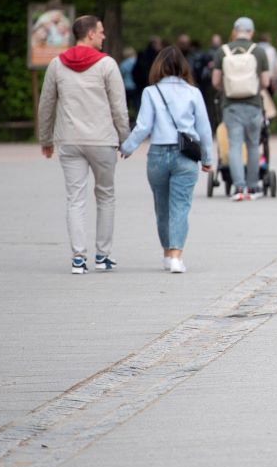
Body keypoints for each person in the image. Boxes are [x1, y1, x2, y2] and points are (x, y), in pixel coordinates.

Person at [38, 15, 130, 274]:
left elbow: (46, 104)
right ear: (90, 34)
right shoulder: (107, 65)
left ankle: (78, 258)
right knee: (106, 195)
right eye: (101, 31)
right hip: (102, 140)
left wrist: (46, 138)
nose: (104, 36)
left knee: (75, 199)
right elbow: (118, 107)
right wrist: (125, 138)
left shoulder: (57, 64)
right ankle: (102, 255)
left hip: (69, 140)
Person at [120, 46, 215, 273]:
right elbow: (204, 128)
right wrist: (207, 158)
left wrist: (128, 147)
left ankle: (166, 254)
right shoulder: (193, 92)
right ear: (183, 66)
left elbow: (143, 126)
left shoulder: (150, 92)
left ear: (158, 67)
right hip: (186, 154)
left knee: (162, 208)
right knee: (180, 206)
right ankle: (176, 257)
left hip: (158, 154)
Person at [212, 17, 270, 201]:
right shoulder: (259, 51)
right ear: (251, 32)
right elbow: (266, 82)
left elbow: (215, 81)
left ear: (235, 31)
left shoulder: (222, 51)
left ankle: (239, 187)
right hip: (253, 104)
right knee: (253, 145)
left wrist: (228, 88)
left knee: (235, 145)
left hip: (230, 105)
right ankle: (252, 186)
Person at [119, 46, 138, 117]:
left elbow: (121, 74)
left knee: (126, 105)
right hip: (136, 85)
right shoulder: (137, 61)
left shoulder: (123, 64)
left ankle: (126, 117)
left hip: (126, 86)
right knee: (136, 104)